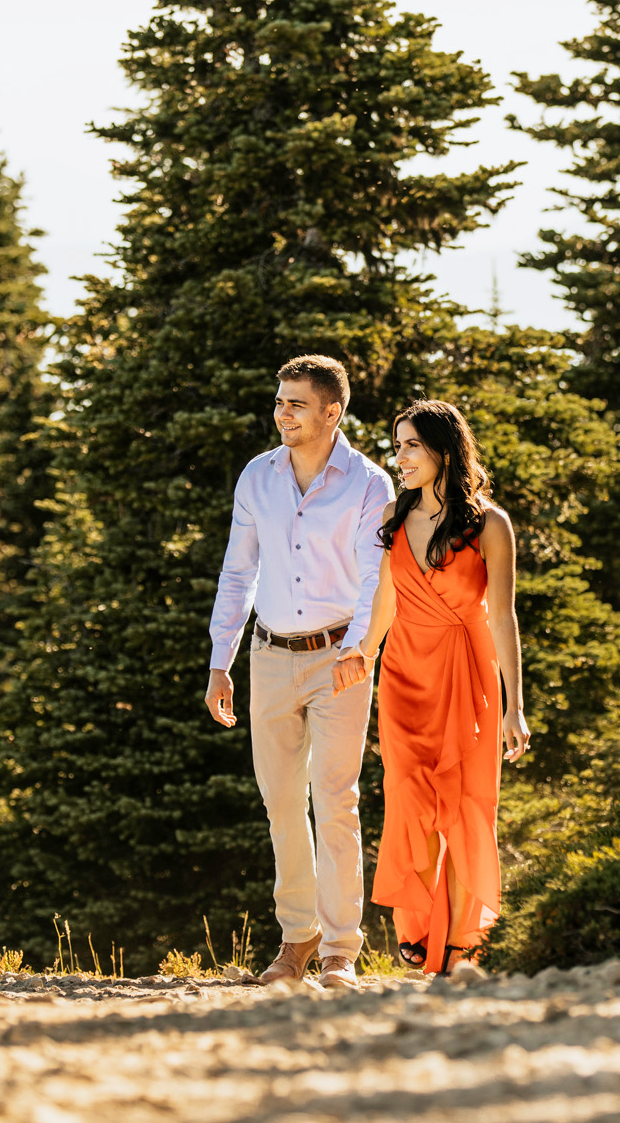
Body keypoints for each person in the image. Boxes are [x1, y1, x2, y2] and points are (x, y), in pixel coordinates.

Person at [205, 354, 394, 991]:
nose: (282, 414)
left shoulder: (370, 484)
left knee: (335, 800)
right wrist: (219, 661)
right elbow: (238, 572)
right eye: (280, 402)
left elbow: (376, 579)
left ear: (331, 412)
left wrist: (362, 649)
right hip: (268, 655)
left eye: (296, 404)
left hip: (341, 656)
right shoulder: (257, 478)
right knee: (282, 802)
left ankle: (342, 946)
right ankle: (298, 937)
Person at [354, 399, 529, 976]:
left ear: (443, 451)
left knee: (466, 804)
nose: (398, 456)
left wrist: (514, 707)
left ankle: (459, 940)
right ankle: (419, 927)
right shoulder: (394, 516)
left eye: (410, 445)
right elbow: (385, 600)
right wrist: (363, 652)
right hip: (404, 673)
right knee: (408, 798)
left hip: (468, 670)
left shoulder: (489, 523)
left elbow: (502, 617)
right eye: (397, 443)